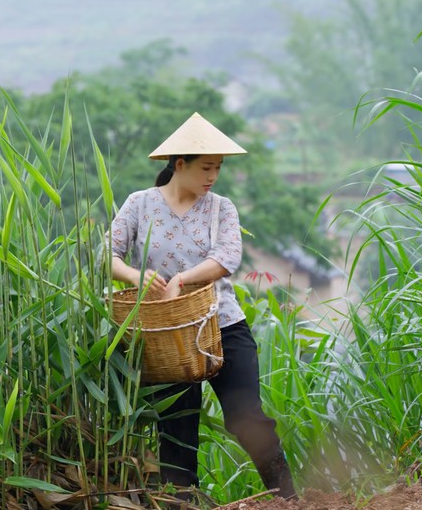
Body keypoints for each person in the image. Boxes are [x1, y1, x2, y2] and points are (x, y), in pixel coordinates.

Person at [106, 112, 297, 501]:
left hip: (222, 326)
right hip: (165, 334)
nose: (213, 176)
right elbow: (104, 254)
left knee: (247, 418)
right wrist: (133, 276)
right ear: (180, 165)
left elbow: (227, 258)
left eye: (218, 168)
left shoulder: (221, 208)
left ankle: (289, 500)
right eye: (206, 167)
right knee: (176, 428)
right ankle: (181, 504)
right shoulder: (140, 205)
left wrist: (183, 278)